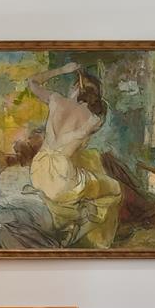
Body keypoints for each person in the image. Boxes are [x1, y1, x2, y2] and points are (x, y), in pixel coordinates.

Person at [21, 61, 122, 249]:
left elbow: (32, 82)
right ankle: (81, 226)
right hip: (62, 179)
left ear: (75, 87)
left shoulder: (56, 99)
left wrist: (62, 69)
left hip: (38, 171)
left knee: (83, 182)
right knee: (114, 188)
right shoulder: (95, 119)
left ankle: (73, 218)